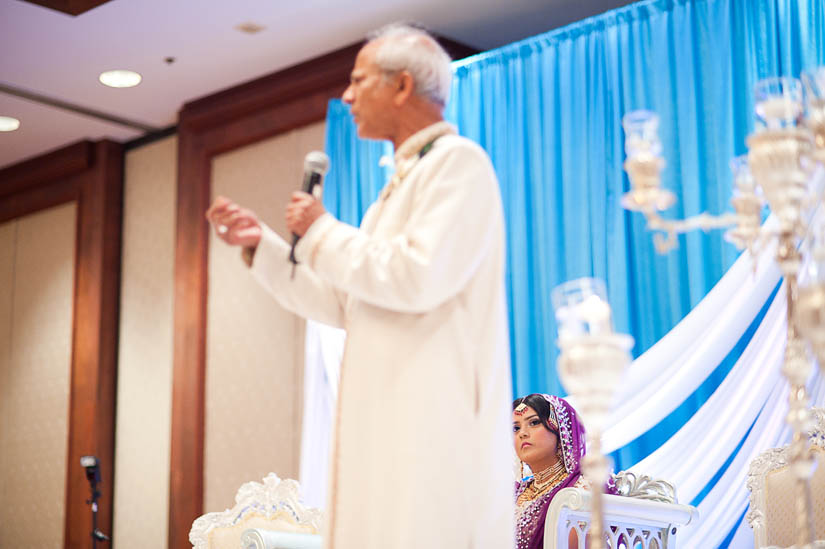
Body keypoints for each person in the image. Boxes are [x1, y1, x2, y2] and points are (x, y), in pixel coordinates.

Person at [206, 24, 513, 549]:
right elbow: (345, 304)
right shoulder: (388, 196)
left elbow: (417, 277)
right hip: (384, 416)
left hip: (430, 415)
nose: (346, 96)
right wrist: (264, 246)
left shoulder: (459, 165)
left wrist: (322, 229)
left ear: (402, 87)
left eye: (358, 80)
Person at [512, 393, 588, 549]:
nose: (522, 433)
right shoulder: (513, 492)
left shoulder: (582, 488)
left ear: (561, 431)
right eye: (516, 428)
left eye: (534, 422)